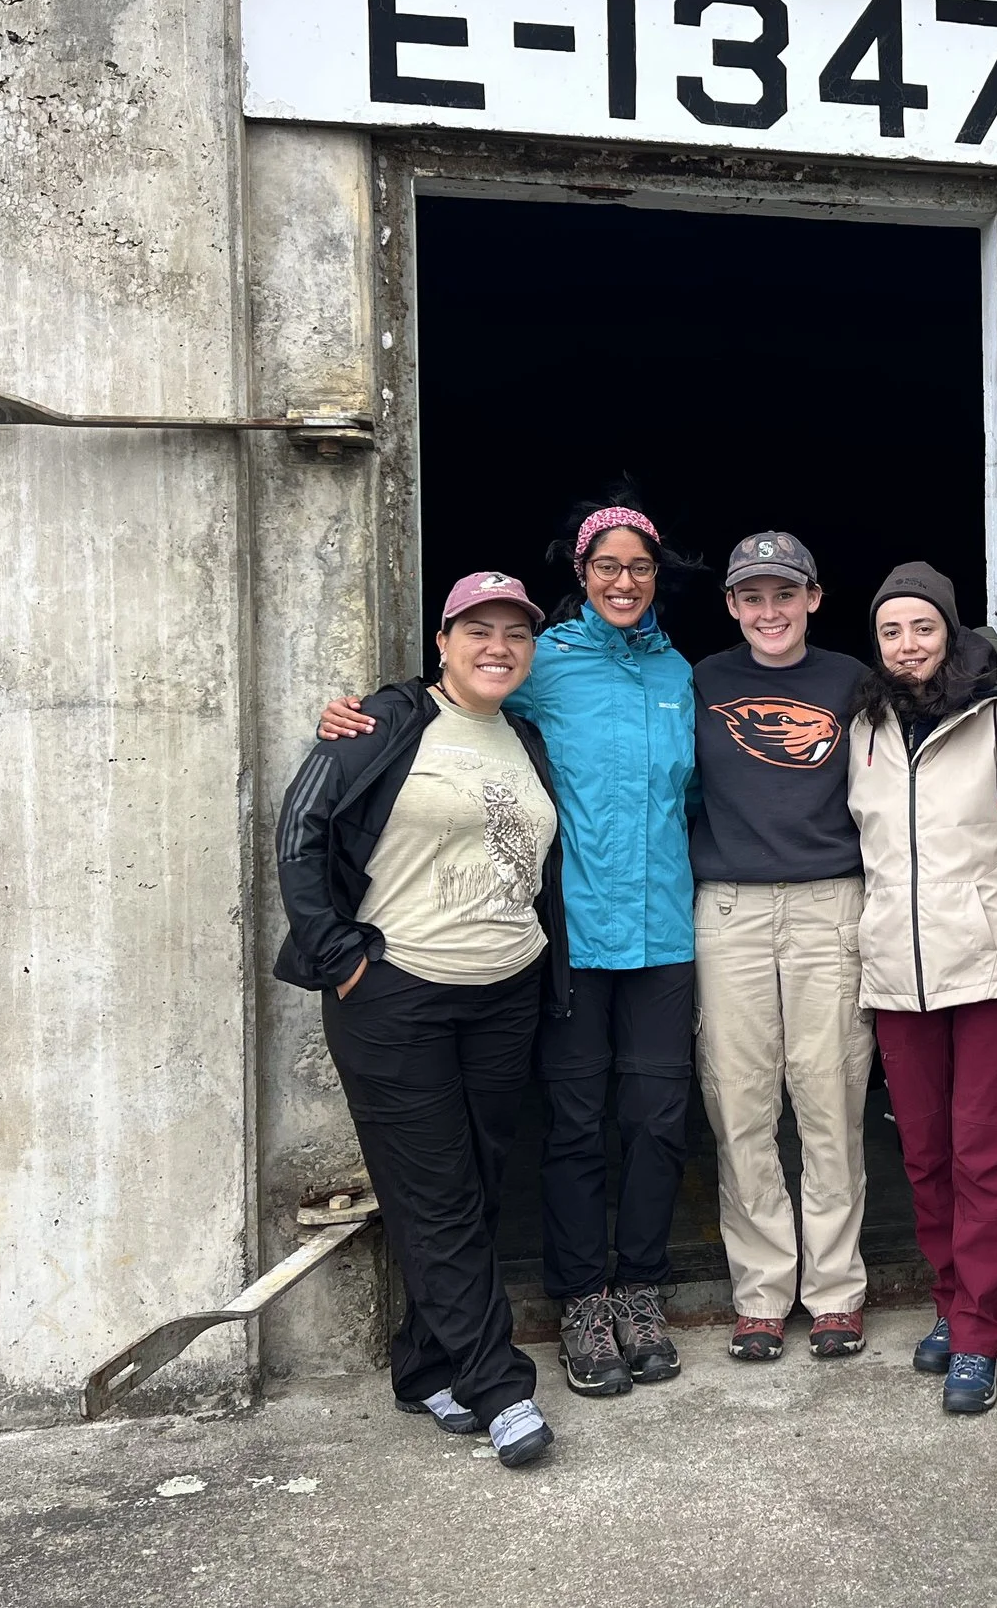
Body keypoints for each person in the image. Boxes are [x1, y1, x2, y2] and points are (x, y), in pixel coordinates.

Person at [320, 495, 698, 1401]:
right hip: (568, 937)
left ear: (656, 577)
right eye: (606, 565)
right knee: (573, 1125)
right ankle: (581, 1297)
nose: (623, 581)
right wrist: (365, 712)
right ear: (581, 571)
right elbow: (455, 699)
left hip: (668, 934)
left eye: (639, 567)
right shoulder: (545, 663)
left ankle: (640, 1289)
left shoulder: (682, 672)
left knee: (655, 1122)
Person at [274, 571, 566, 1469]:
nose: (498, 647)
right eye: (478, 629)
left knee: (465, 1187)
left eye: (516, 633)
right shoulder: (384, 720)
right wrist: (341, 955)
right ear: (442, 640)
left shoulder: (524, 734)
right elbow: (299, 831)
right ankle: (498, 1385)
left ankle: (423, 1368)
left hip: (504, 990)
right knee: (437, 1191)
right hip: (398, 995)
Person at [846, 562, 997, 1415]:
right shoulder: (864, 726)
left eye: (923, 628)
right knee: (926, 1152)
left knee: (987, 1152)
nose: (908, 646)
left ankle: (978, 1330)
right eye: (892, 632)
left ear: (950, 631)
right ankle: (948, 1301)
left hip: (991, 972)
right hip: (899, 977)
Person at [690, 532, 875, 1362]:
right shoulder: (699, 681)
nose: (770, 610)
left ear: (813, 597)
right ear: (731, 605)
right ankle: (762, 1293)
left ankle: (835, 1291)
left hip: (830, 903)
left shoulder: (853, 681)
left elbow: (940, 684)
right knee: (740, 1103)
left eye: (784, 593)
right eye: (752, 596)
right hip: (726, 908)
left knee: (831, 1096)